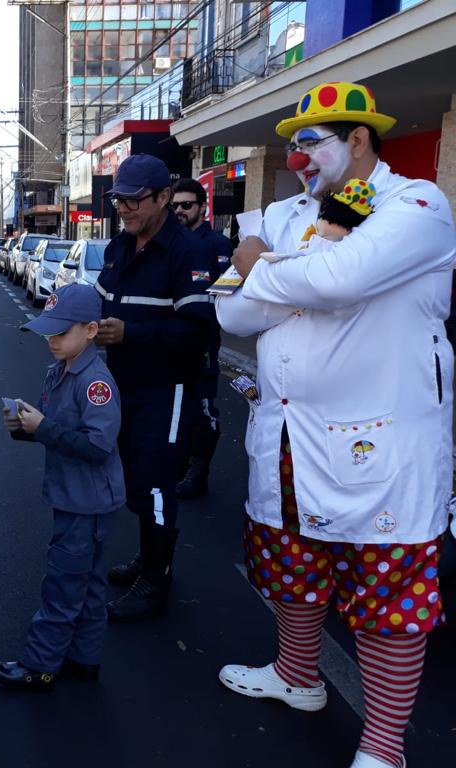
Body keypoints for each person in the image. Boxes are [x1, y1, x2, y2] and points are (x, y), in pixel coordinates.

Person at [215, 81, 455, 768]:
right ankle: (296, 677)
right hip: (287, 435)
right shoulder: (292, 217)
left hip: (380, 444)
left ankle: (383, 748)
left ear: (358, 141)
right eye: (291, 147)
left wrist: (264, 268)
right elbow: (233, 314)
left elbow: (341, 281)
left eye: (310, 144)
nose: (297, 160)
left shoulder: (416, 204)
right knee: (292, 568)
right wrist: (291, 274)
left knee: (387, 597)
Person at [95, 154, 218, 622]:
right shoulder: (118, 247)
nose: (123, 208)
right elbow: (106, 301)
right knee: (132, 479)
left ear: (164, 198)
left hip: (168, 389)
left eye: (134, 200)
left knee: (157, 485)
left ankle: (156, 581)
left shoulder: (190, 252)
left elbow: (197, 331)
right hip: (123, 384)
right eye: (117, 199)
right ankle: (149, 559)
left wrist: (130, 333)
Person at [0, 283, 125, 691]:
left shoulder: (95, 383)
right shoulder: (60, 369)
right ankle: (84, 659)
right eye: (48, 333)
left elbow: (98, 445)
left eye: (61, 333)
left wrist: (43, 428)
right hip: (76, 495)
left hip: (87, 502)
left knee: (64, 586)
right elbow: (59, 430)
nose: (52, 341)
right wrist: (26, 428)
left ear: (90, 330)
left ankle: (40, 666)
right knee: (87, 583)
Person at [170, 177, 234, 499]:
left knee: (203, 405)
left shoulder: (217, 245)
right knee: (176, 403)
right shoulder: (170, 242)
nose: (180, 211)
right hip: (170, 341)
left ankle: (199, 472)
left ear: (202, 207)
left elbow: (225, 294)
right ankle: (180, 465)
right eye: (176, 205)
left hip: (203, 340)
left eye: (187, 205)